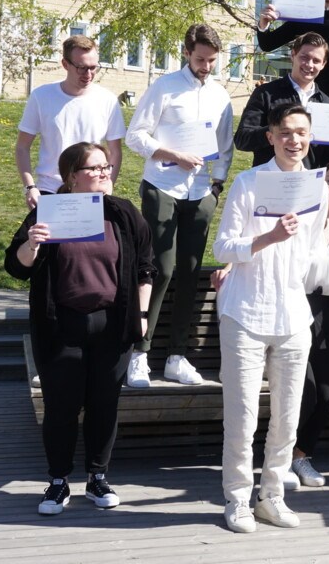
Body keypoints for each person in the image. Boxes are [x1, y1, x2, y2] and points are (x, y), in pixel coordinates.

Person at [4, 142, 154, 516]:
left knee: (105, 404)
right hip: (62, 324)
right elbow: (16, 266)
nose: (105, 174)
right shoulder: (49, 211)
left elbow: (146, 268)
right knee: (61, 406)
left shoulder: (123, 213)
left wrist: (143, 313)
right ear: (72, 176)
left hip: (113, 324)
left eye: (106, 167)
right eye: (95, 169)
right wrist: (32, 244)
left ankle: (98, 477)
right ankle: (57, 481)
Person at [210, 160, 329, 489]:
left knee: (326, 395)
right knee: (304, 393)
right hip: (293, 302)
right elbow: (268, 252)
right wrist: (229, 268)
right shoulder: (304, 220)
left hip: (325, 312)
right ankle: (281, 464)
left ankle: (300, 455)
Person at [213, 103, 327, 533]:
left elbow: (312, 251)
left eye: (301, 133)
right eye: (285, 133)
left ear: (309, 137)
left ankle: (272, 495)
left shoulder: (316, 188)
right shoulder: (248, 182)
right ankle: (238, 499)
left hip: (293, 315)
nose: (294, 140)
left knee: (287, 417)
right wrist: (269, 237)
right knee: (241, 416)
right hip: (246, 312)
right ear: (271, 137)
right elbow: (223, 248)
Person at [124, 24, 235, 388]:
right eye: (200, 59)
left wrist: (216, 186)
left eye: (212, 61)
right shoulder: (165, 87)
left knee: (189, 272)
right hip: (162, 186)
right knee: (161, 268)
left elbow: (225, 146)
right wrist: (173, 155)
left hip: (200, 193)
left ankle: (177, 355)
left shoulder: (220, 95)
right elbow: (135, 135)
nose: (206, 66)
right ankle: (139, 352)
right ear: (187, 52)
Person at [15, 35, 126, 209]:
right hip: (50, 190)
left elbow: (115, 151)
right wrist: (30, 187)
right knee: (42, 237)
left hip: (92, 191)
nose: (88, 74)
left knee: (91, 237)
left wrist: (108, 184)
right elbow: (22, 147)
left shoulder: (108, 100)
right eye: (81, 68)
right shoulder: (41, 96)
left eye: (93, 67)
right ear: (65, 64)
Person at [235, 32, 329, 168]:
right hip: (270, 180)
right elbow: (242, 140)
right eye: (304, 57)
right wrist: (278, 131)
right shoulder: (266, 93)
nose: (309, 65)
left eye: (316, 60)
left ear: (323, 64)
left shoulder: (328, 106)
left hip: (309, 183)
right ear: (293, 56)